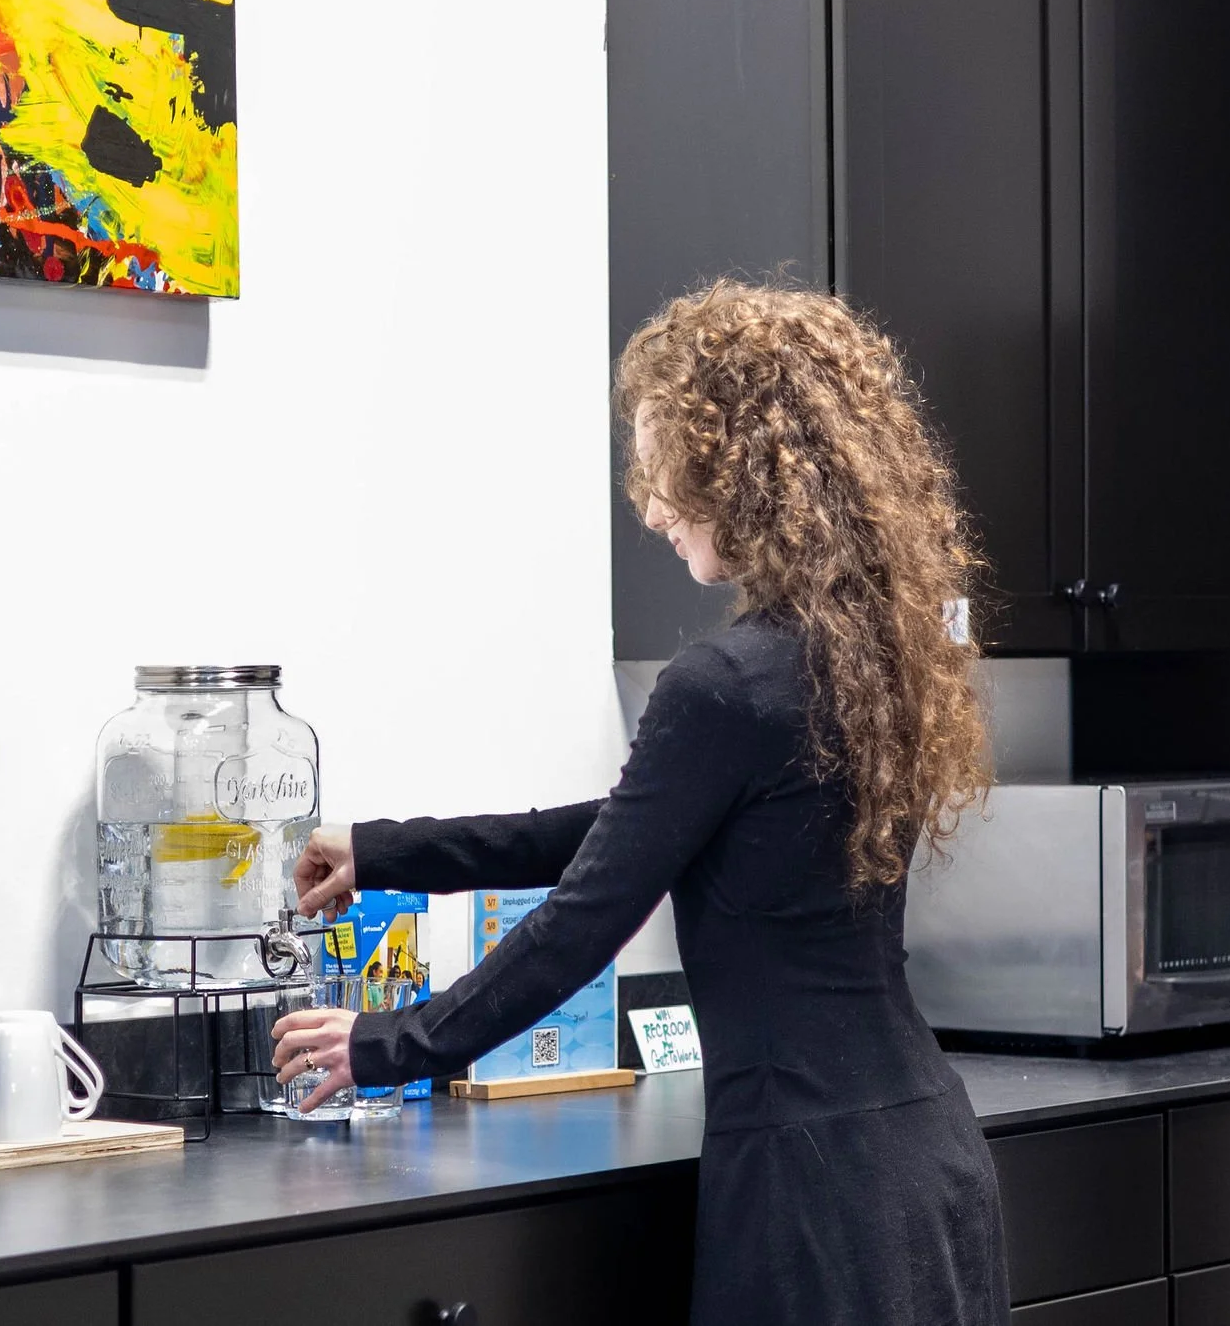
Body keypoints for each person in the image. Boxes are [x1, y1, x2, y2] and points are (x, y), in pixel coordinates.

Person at [270, 278, 1009, 1324]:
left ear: (746, 470)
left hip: (811, 1193)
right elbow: (627, 834)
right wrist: (388, 852)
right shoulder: (864, 663)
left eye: (669, 465)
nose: (653, 506)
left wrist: (384, 1044)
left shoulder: (726, 683)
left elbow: (584, 919)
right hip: (927, 1158)